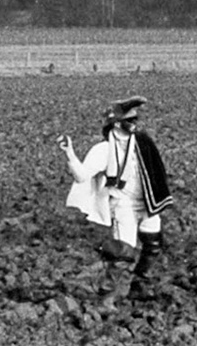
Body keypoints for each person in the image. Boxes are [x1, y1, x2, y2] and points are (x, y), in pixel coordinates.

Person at [59, 95, 172, 301]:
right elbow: (82, 176)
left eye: (135, 120)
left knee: (153, 245)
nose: (134, 125)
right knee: (123, 252)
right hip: (123, 205)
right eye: (130, 121)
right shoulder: (104, 150)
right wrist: (70, 154)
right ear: (116, 124)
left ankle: (139, 285)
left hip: (147, 203)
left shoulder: (143, 143)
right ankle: (108, 296)